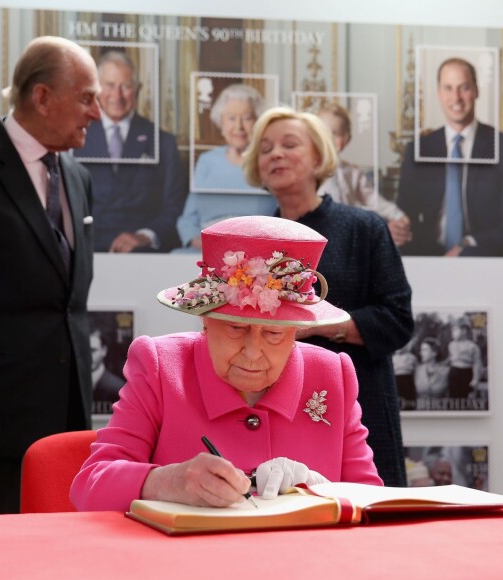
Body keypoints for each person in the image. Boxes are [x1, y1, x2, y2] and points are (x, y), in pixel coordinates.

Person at [71, 215, 382, 511]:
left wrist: (321, 489)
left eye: (274, 333)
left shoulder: (331, 375)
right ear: (206, 320)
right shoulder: (160, 366)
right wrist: (168, 481)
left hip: (303, 562)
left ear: (297, 332)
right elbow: (90, 487)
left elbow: (373, 505)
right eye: (236, 328)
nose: (251, 352)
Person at [0, 36, 100, 515]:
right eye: (86, 97)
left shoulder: (78, 177)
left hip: (68, 418)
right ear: (42, 96)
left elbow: (67, 297)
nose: (97, 112)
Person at [242, 107, 414, 487]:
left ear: (319, 157)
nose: (276, 154)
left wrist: (316, 325)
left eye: (290, 144)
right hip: (272, 404)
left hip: (359, 399)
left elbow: (398, 322)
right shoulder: (251, 241)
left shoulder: (364, 228)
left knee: (370, 521)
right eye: (266, 148)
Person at [397, 57, 503, 257]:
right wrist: (397, 229)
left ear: (476, 91)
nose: (456, 97)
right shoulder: (419, 149)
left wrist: (467, 245)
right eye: (448, 88)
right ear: (439, 94)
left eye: (464, 87)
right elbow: (405, 215)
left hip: (484, 255)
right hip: (428, 259)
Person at [74, 50, 188, 253]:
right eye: (109, 85)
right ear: (97, 89)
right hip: (85, 249)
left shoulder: (162, 142)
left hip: (142, 253)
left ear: (138, 90)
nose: (117, 96)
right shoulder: (75, 137)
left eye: (125, 86)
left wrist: (145, 235)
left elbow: (175, 206)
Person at [175, 83, 277, 251]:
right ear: (221, 123)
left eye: (246, 118)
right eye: (231, 118)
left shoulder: (268, 161)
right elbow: (188, 219)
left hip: (256, 250)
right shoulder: (207, 161)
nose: (238, 127)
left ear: (257, 121)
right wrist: (198, 241)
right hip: (206, 248)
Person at [315, 103, 412, 246]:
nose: (334, 140)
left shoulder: (352, 173)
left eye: (339, 134)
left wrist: (397, 215)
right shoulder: (310, 171)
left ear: (347, 139)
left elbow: (374, 200)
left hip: (346, 236)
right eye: (327, 133)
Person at [90, 326, 125, 414]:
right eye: (85, 351)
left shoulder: (118, 388)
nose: (88, 357)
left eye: (93, 350)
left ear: (104, 351)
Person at [447, 316, 482, 399]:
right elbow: (450, 359)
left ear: (464, 331)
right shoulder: (451, 345)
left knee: (465, 398)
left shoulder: (472, 346)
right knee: (453, 397)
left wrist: (475, 378)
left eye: (455, 330)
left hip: (466, 373)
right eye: (452, 330)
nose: (453, 332)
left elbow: (477, 363)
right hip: (453, 372)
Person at [414, 338, 450, 406]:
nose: (421, 353)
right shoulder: (417, 370)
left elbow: (448, 396)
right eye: (421, 350)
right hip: (420, 413)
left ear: (434, 353)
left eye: (425, 350)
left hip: (440, 413)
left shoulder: (445, 372)